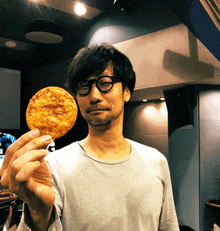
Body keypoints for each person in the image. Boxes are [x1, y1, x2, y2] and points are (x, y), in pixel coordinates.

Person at [0, 43, 179, 231]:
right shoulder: (52, 166)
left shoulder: (156, 161)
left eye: (105, 83)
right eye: (83, 86)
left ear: (126, 91)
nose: (94, 96)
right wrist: (39, 215)